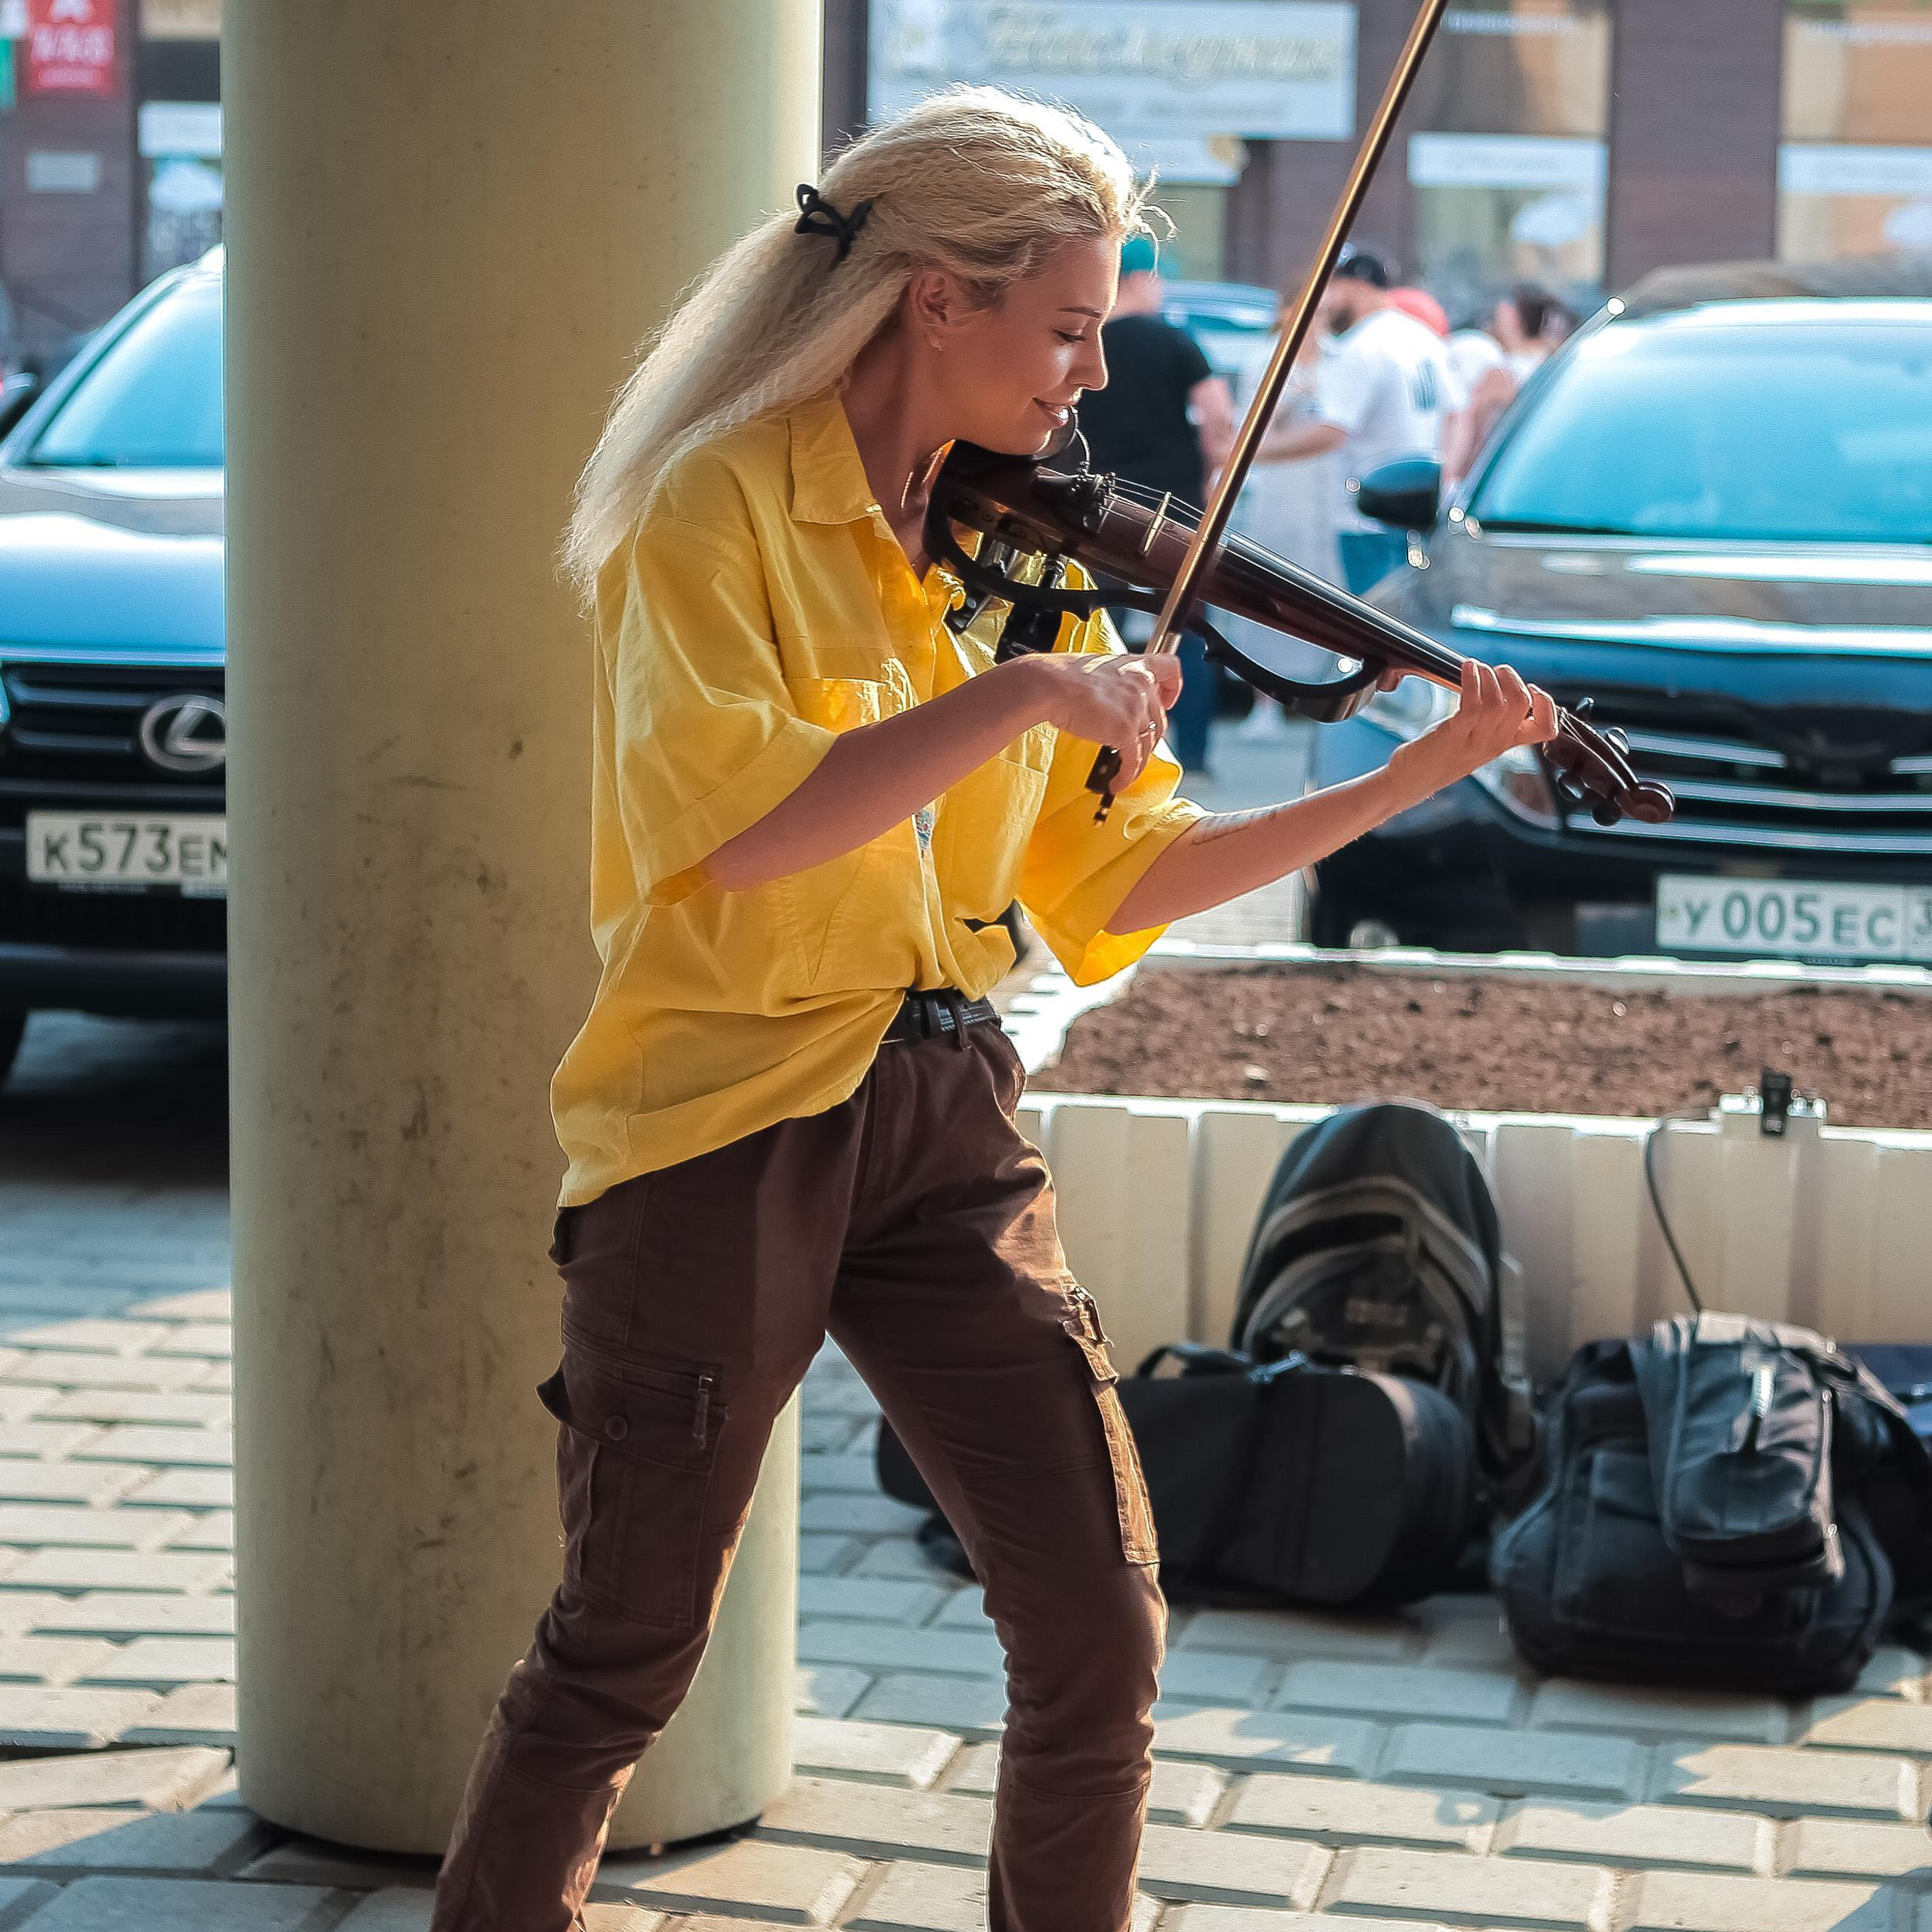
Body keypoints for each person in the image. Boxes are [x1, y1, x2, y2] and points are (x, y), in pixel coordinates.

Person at [428, 85, 1555, 1932]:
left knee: (1098, 1622)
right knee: (624, 1643)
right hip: (719, 1132)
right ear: (931, 301)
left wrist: (1412, 768)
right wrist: (1026, 696)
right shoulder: (715, 511)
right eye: (1062, 324)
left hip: (943, 1113)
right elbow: (741, 828)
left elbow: (1119, 879)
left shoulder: (1006, 551)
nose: (1087, 378)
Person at [1073, 233, 1235, 777]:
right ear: (1142, 280)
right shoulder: (1175, 342)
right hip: (1174, 510)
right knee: (1186, 625)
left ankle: (1096, 746)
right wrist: (1212, 475)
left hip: (1095, 507)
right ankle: (1192, 753)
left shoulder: (1085, 343)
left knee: (1095, 623)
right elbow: (1219, 421)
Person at [1254, 245, 1462, 598]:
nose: (1329, 301)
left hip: (1365, 516)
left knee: (1375, 627)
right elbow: (1457, 414)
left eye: (1334, 288)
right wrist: (1446, 473)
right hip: (1420, 513)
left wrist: (1250, 454)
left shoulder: (1361, 347)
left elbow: (1331, 432)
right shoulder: (1422, 337)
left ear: (1357, 286)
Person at [1442, 281, 1571, 481]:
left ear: (1512, 317)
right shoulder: (1560, 368)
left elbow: (1473, 436)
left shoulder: (1501, 375)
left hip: (1501, 478)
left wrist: (1457, 478)